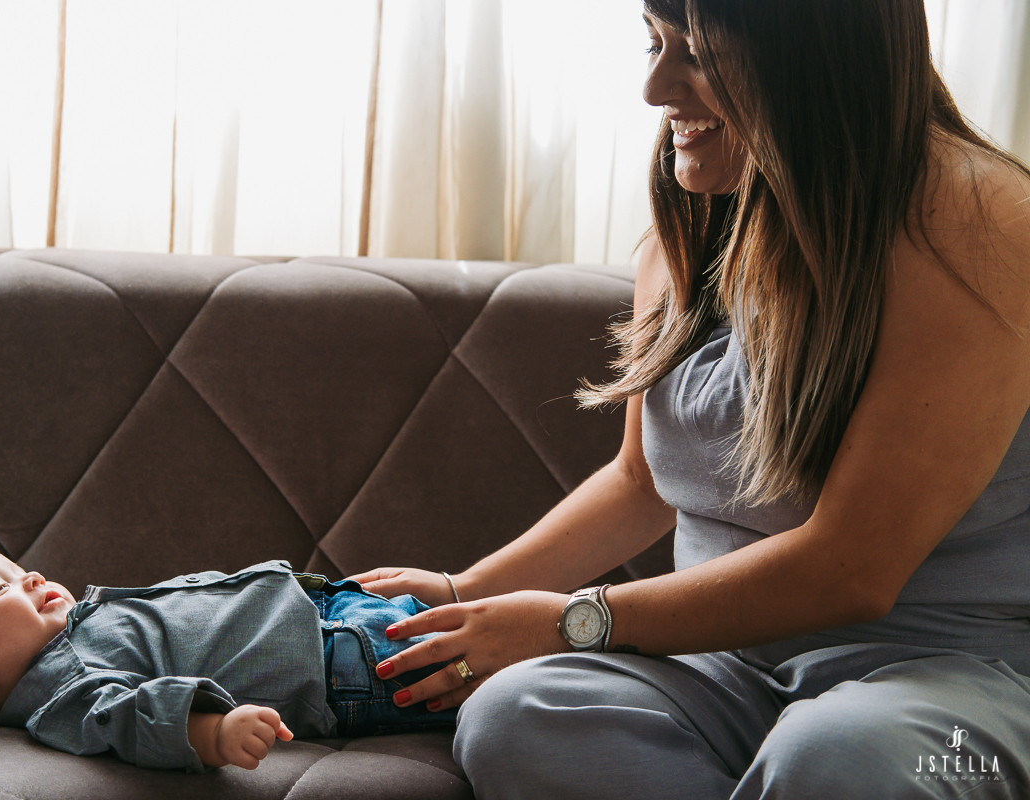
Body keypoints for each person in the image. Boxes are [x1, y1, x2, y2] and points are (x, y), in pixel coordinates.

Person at [351, 0, 1030, 797]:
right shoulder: (693, 218)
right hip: (725, 669)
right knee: (515, 713)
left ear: (816, 52)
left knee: (838, 756)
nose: (653, 87)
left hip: (948, 683)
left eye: (698, 54)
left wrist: (572, 618)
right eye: (653, 41)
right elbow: (641, 482)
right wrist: (469, 592)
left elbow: (852, 570)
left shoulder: (981, 224)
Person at [0, 546, 455, 773]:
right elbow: (131, 717)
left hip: (334, 615)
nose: (33, 575)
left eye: (19, 569)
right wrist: (212, 730)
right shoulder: (61, 689)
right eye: (2, 589)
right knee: (487, 664)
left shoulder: (78, 630)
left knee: (498, 631)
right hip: (345, 666)